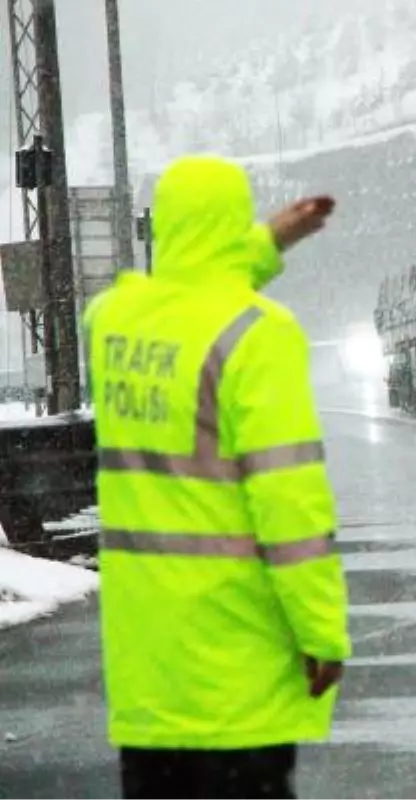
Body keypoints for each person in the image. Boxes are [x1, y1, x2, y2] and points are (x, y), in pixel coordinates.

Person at [83, 154, 353, 800]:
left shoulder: (112, 326)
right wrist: (321, 633)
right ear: (233, 227)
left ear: (164, 229)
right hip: (237, 675)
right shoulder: (259, 338)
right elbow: (289, 507)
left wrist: (260, 247)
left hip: (148, 687)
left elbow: (185, 298)